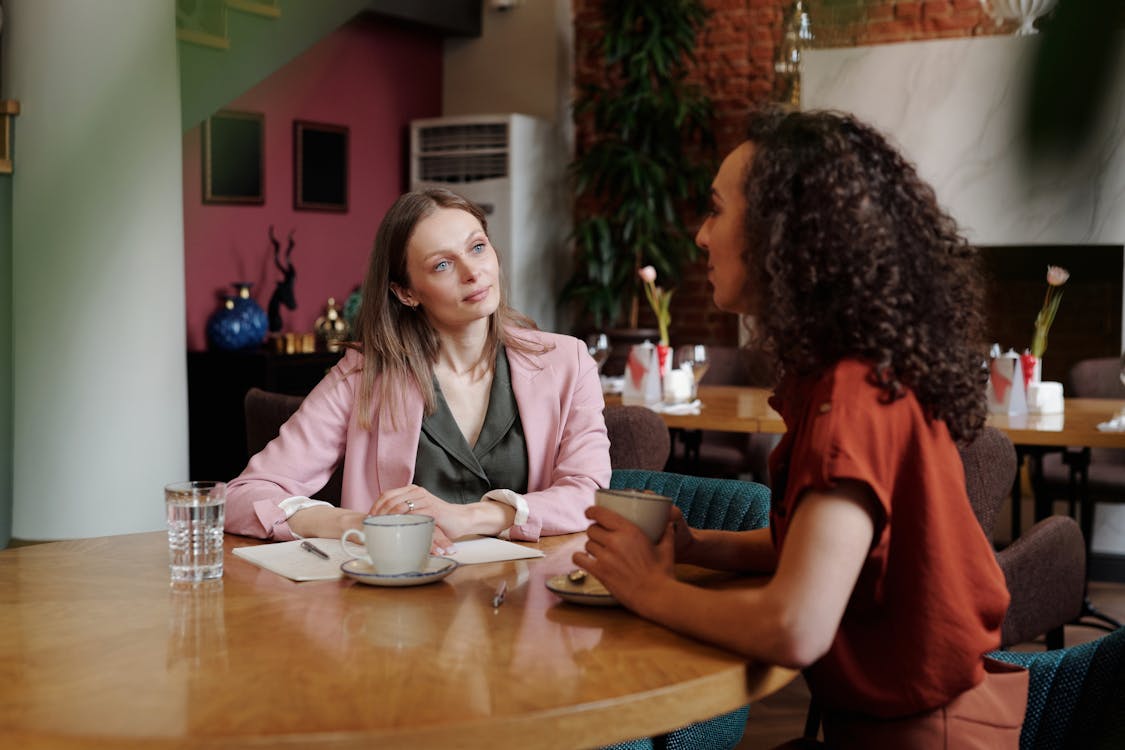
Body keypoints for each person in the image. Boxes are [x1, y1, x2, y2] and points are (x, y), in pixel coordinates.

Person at [575, 109, 1028, 748]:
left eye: (715, 210)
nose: (701, 237)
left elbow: (796, 625)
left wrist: (647, 589)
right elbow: (835, 553)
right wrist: (698, 544)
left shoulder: (852, 395)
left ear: (786, 234)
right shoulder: (850, 369)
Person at [226, 187, 611, 551]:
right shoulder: (363, 375)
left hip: (527, 600)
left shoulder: (567, 362)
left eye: (477, 247)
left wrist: (471, 517)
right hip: (397, 605)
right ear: (405, 292)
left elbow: (588, 494)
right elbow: (243, 496)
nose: (472, 272)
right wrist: (360, 526)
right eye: (442, 264)